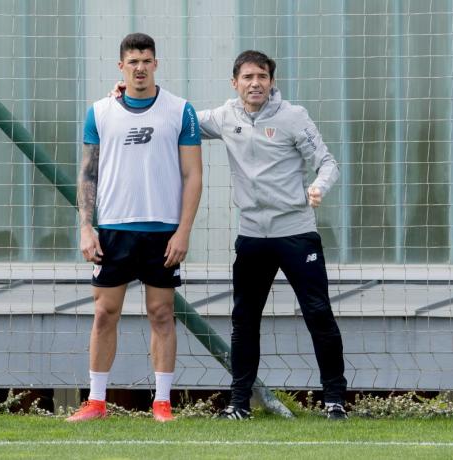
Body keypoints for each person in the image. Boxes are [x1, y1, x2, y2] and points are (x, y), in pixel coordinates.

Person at [113, 50, 347, 420]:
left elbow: (328, 162)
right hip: (252, 237)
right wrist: (129, 96)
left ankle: (335, 400)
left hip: (297, 233)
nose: (256, 84)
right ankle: (239, 404)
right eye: (248, 78)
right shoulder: (224, 117)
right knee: (244, 319)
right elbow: (175, 117)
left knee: (318, 314)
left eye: (263, 77)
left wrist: (318, 186)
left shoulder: (293, 117)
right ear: (235, 82)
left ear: (272, 82)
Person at [67, 33, 202, 423]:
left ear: (156, 64)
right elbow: (87, 174)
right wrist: (86, 228)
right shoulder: (99, 111)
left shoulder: (180, 111)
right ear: (121, 66)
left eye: (146, 60)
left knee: (161, 313)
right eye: (132, 61)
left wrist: (184, 231)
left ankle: (162, 403)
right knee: (104, 313)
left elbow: (193, 175)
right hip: (112, 231)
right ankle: (96, 402)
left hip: (162, 232)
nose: (139, 67)